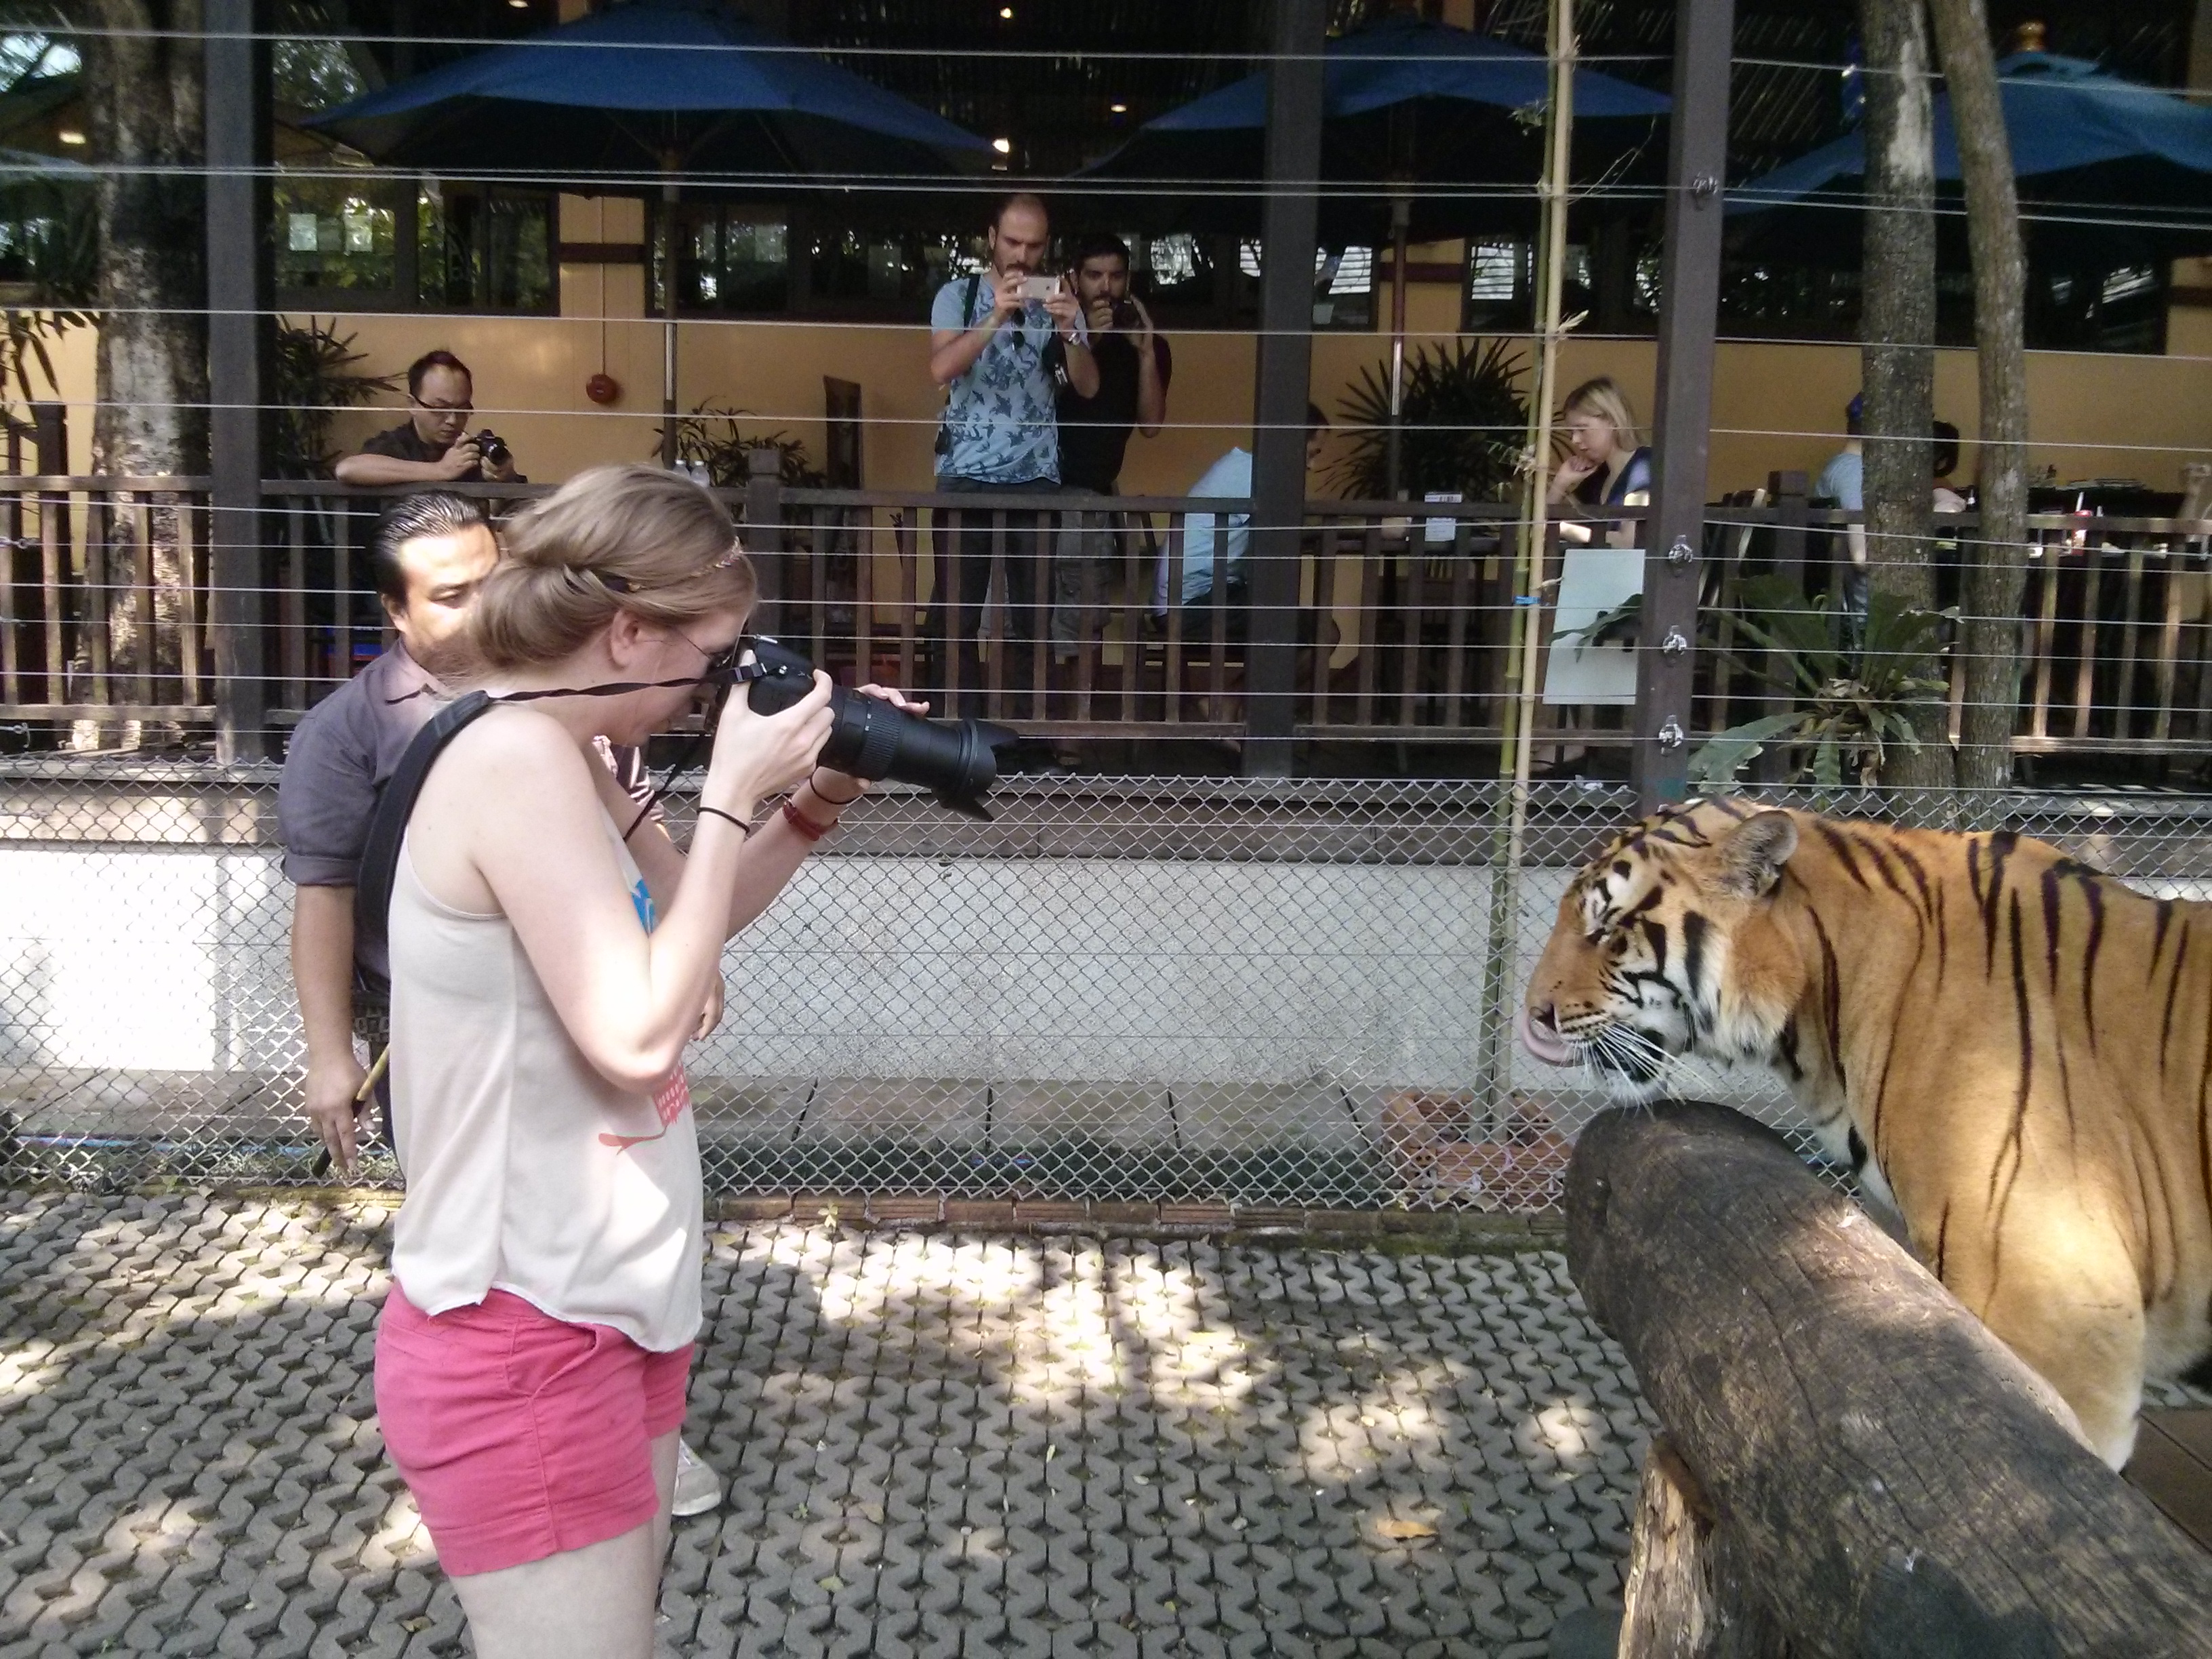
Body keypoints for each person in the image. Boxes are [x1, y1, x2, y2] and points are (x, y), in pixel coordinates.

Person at [371, 463, 923, 1658]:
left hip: (614, 1304)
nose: (712, 693)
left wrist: (812, 798)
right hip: (523, 1323)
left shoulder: (579, 758)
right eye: (712, 660)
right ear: (626, 631)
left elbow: (693, 934)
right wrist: (728, 788)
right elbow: (635, 1033)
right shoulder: (513, 757)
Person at [277, 490, 726, 1521]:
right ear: (395, 615)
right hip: (447, 1025)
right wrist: (330, 1048)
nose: (486, 609)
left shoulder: (557, 714)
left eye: (497, 579)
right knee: (496, 1233)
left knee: (584, 1215)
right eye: (452, 594)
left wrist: (691, 935)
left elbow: (650, 880)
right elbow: (324, 898)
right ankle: (539, 1443)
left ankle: (621, 1430)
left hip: (572, 998)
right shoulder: (364, 733)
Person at [927, 193, 1097, 712]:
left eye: (1035, 245)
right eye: (1013, 242)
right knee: (956, 616)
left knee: (1033, 616)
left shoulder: (1060, 301)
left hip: (1036, 476)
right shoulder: (957, 295)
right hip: (964, 474)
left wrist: (1071, 329)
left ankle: (1026, 736)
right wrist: (996, 314)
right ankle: (959, 734)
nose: (1023, 256)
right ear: (991, 238)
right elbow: (941, 369)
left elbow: (1087, 387)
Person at [1050, 234, 1170, 666]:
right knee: (1024, 619)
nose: (1105, 287)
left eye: (1116, 276)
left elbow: (1152, 426)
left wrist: (1144, 357)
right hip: (1042, 486)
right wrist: (1088, 341)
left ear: (1129, 280)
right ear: (1074, 280)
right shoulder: (1056, 332)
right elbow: (1049, 400)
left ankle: (1076, 731)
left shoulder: (1147, 343)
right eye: (1094, 275)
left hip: (1093, 494)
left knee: (1085, 621)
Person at [1156, 404, 1331, 631]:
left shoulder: (1248, 467)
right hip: (1189, 605)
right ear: (1290, 443)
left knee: (1294, 621)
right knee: (1320, 630)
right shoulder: (1253, 472)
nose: (1312, 466)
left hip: (1199, 598)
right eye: (1311, 454)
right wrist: (1373, 527)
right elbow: (1295, 529)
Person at [335, 350, 523, 489]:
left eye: (462, 409)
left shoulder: (470, 451)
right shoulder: (395, 445)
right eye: (440, 409)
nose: (452, 420)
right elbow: (348, 469)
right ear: (413, 405)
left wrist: (507, 477)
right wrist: (441, 471)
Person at [1545, 376, 1652, 548]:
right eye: (1572, 431)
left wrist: (1564, 530)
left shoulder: (1644, 466)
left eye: (1582, 429)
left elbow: (1629, 540)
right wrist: (1561, 482)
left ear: (1611, 421)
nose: (1575, 440)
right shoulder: (1600, 475)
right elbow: (1538, 526)